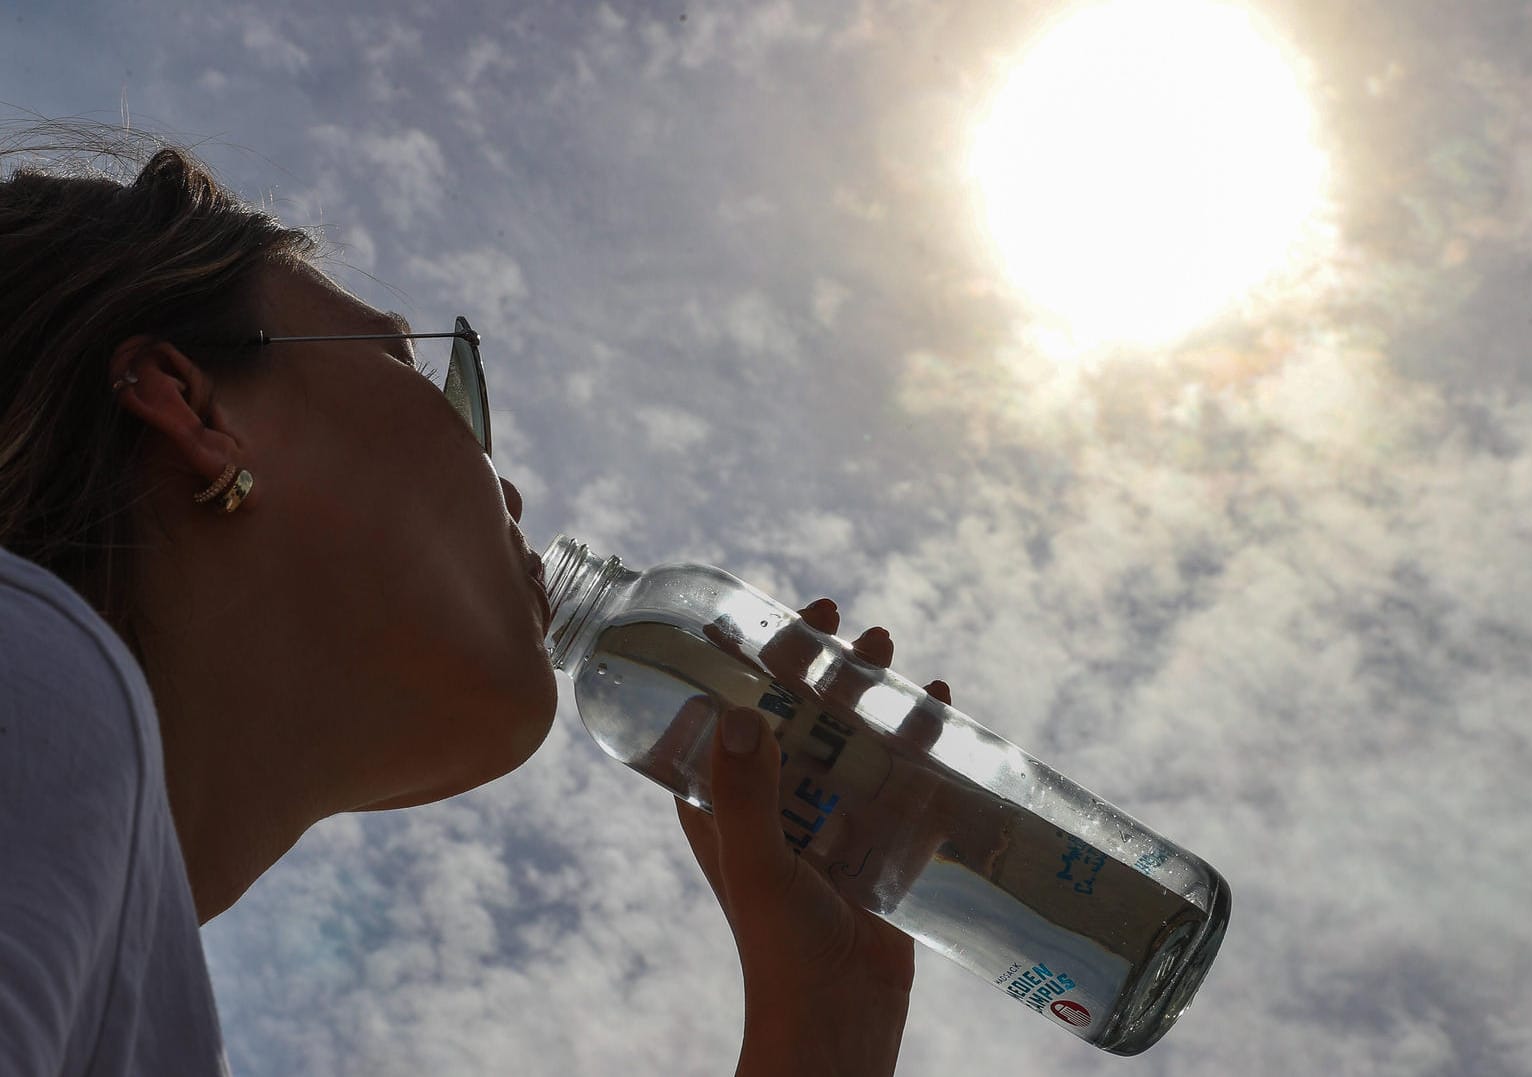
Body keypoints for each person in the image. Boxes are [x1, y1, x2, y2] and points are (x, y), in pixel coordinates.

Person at [0, 136, 952, 1075]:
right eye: (421, 373)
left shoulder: (124, 978)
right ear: (192, 410)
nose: (511, 493)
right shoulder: (33, 667)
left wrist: (826, 1021)